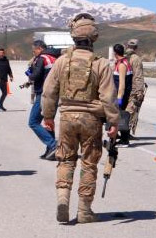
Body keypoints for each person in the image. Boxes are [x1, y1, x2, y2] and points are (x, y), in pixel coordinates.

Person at [42, 13, 119, 224]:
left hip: (67, 117)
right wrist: (113, 122)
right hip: (92, 120)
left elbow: (49, 91)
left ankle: (62, 199)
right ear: (93, 38)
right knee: (89, 163)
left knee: (65, 160)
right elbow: (108, 97)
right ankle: (84, 211)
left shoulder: (62, 62)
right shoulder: (101, 64)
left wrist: (48, 116)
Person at [26, 40, 57, 160]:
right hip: (54, 95)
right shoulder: (54, 58)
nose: (34, 53)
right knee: (49, 122)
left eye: (34, 50)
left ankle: (53, 145)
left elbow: (35, 75)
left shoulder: (41, 58)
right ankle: (50, 151)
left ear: (39, 48)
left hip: (43, 94)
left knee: (33, 122)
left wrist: (30, 73)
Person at [112, 44, 133, 145]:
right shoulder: (122, 62)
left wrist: (119, 100)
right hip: (120, 94)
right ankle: (120, 136)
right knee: (119, 115)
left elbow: (122, 85)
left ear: (115, 53)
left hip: (121, 95)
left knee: (121, 115)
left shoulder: (122, 65)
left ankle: (125, 139)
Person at [125, 39, 146, 136]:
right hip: (132, 90)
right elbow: (138, 76)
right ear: (136, 48)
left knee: (121, 110)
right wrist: (140, 91)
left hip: (121, 89)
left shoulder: (121, 56)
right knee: (130, 112)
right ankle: (125, 134)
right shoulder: (136, 59)